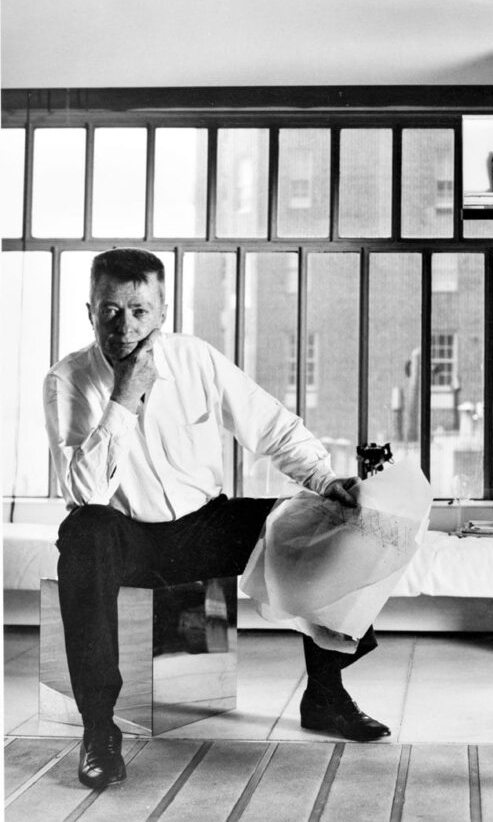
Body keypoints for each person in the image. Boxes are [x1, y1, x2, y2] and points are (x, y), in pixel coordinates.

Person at [43, 248, 389, 790]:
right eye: (110, 310)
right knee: (82, 532)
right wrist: (123, 398)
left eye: (138, 311)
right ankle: (99, 730)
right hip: (122, 535)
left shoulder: (196, 358)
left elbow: (269, 425)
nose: (124, 326)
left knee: (319, 518)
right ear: (89, 310)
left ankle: (326, 695)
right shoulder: (66, 380)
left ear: (162, 312)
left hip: (202, 525)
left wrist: (324, 480)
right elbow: (84, 492)